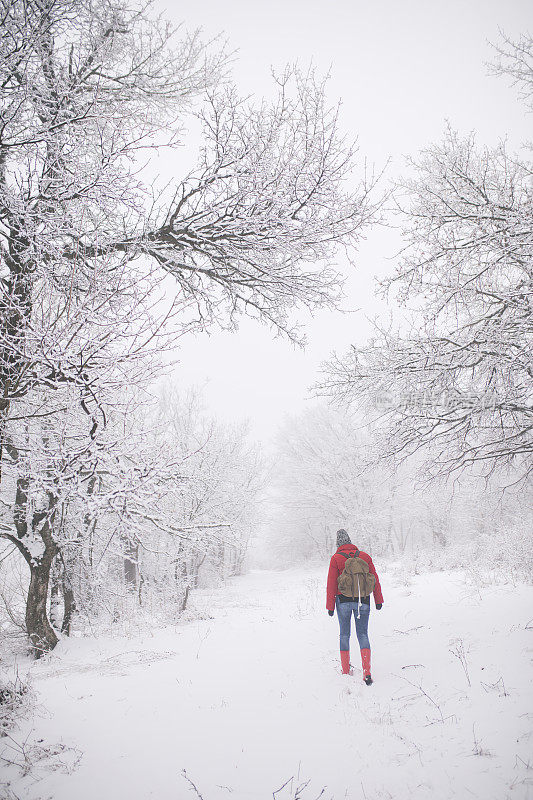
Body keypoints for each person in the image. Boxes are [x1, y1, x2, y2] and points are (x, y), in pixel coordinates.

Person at [326, 529, 383, 683]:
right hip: (363, 600)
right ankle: (366, 672)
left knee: (345, 635)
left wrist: (330, 606)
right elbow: (375, 579)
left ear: (338, 543)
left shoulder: (336, 558)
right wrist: (378, 600)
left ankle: (345, 671)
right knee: (363, 634)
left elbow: (331, 584)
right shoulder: (364, 556)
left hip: (343, 601)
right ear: (351, 541)